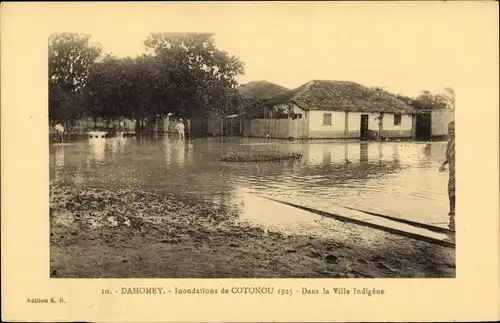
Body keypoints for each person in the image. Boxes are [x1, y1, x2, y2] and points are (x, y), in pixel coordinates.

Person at [439, 121, 455, 222]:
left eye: (454, 129)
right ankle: (452, 212)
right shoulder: (450, 143)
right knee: (450, 190)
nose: (452, 131)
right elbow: (449, 156)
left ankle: (454, 212)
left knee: (455, 191)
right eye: (450, 129)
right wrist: (443, 164)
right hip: (452, 171)